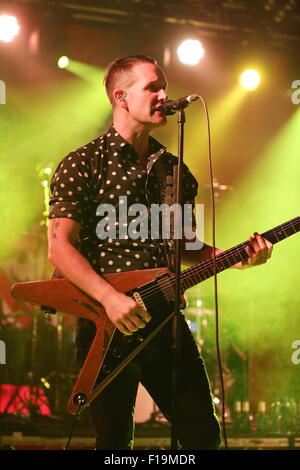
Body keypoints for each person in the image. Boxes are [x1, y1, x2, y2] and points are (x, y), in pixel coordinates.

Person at [47, 55, 273, 450]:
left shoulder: (175, 171)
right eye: (153, 87)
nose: (164, 95)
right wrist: (111, 299)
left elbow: (183, 244)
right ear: (121, 96)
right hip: (106, 322)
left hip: (164, 321)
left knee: (202, 433)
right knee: (114, 440)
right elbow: (59, 248)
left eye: (164, 86)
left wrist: (234, 256)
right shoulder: (83, 163)